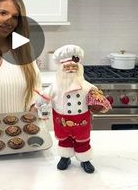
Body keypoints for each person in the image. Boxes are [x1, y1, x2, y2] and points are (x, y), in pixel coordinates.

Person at [35, 45, 111, 173]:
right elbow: (43, 97)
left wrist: (99, 102)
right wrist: (38, 104)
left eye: (74, 67)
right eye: (67, 67)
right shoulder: (55, 87)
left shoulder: (87, 86)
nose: (70, 70)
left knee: (83, 140)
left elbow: (97, 97)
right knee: (64, 140)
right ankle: (65, 157)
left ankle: (84, 159)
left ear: (79, 69)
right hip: (62, 120)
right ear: (61, 69)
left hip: (82, 120)